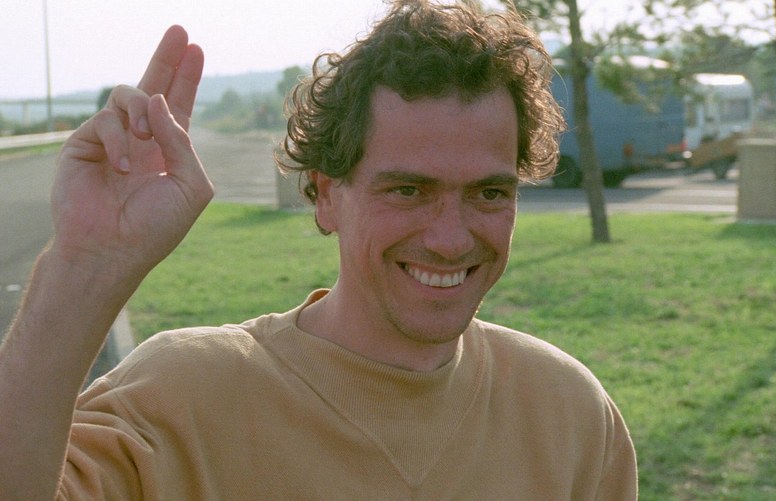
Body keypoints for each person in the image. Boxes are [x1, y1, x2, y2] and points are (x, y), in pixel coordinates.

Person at [0, 0, 637, 499]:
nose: (450, 237)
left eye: (489, 193)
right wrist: (84, 267)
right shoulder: (180, 398)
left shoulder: (571, 415)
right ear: (326, 194)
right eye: (408, 190)